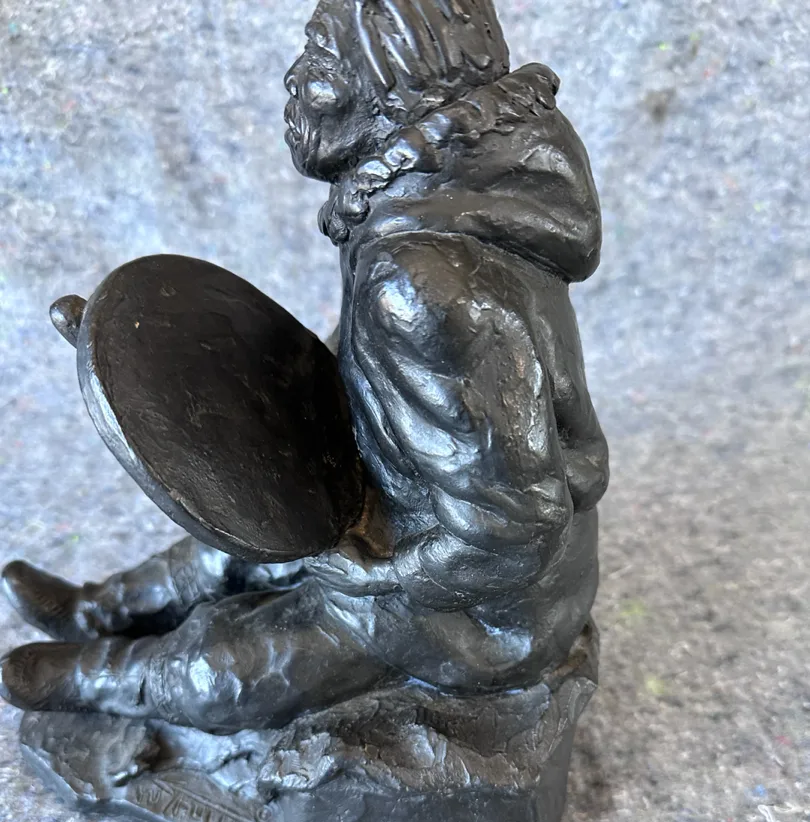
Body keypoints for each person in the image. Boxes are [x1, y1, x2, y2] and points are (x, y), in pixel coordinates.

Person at [0, 0, 608, 734]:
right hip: (425, 514)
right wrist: (161, 373)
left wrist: (378, 573)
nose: (297, 79)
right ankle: (100, 609)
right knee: (240, 534)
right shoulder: (446, 205)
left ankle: (105, 674)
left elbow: (512, 529)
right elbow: (371, 381)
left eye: (322, 58)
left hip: (478, 616)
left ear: (391, 83)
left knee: (229, 668)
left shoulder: (417, 279)